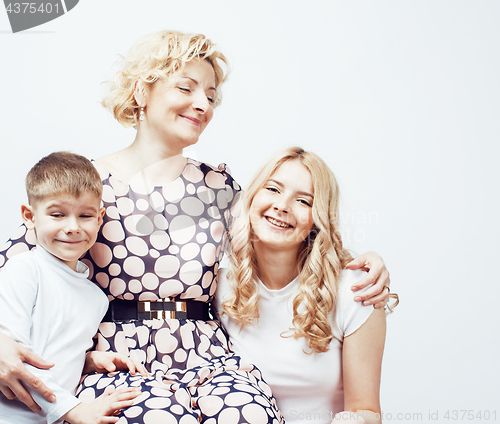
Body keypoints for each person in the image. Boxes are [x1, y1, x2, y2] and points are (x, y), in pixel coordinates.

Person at [0, 31, 390, 423]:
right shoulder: (84, 185)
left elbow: (284, 237)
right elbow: (15, 266)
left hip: (210, 356)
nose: (202, 103)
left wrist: (363, 260)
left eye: (211, 95)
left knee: (249, 416)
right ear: (141, 92)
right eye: (186, 87)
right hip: (119, 359)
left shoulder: (220, 189)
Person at [216, 147, 398, 424]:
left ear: (318, 220)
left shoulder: (356, 292)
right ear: (252, 196)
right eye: (273, 189)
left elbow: (367, 412)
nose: (283, 206)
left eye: (303, 201)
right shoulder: (216, 286)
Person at [0, 152, 144, 424]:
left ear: (100, 218)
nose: (73, 227)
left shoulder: (95, 298)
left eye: (85, 215)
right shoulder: (24, 271)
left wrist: (88, 360)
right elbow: (13, 355)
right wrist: (76, 411)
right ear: (29, 216)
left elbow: (51, 348)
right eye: (57, 214)